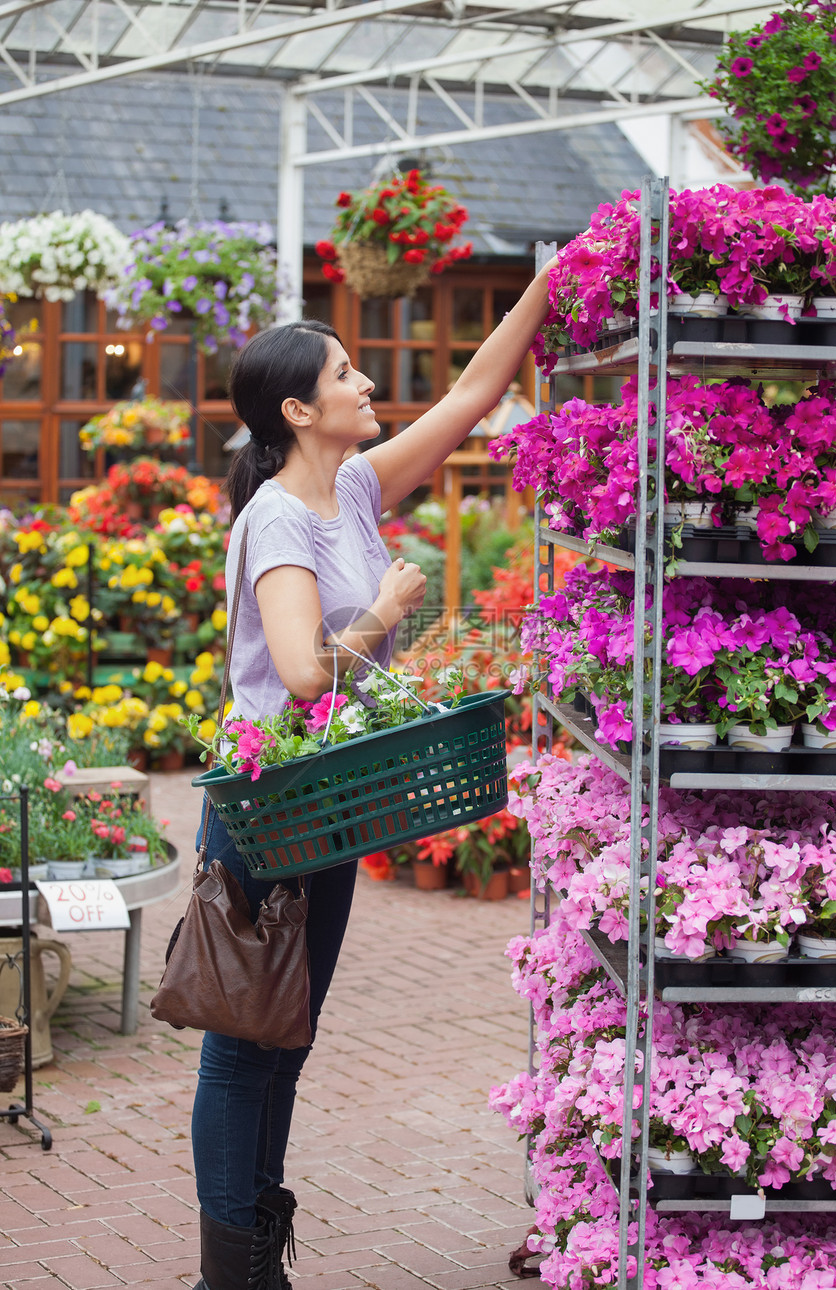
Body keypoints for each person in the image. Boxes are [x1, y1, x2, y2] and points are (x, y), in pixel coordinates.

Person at [190, 257, 556, 1290]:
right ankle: (235, 1268)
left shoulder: (350, 485)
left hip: (326, 801)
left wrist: (550, 283)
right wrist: (387, 615)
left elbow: (471, 393)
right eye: (345, 374)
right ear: (299, 408)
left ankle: (257, 1241)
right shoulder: (276, 517)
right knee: (242, 1036)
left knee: (287, 1033)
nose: (364, 384)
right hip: (268, 809)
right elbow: (303, 672)